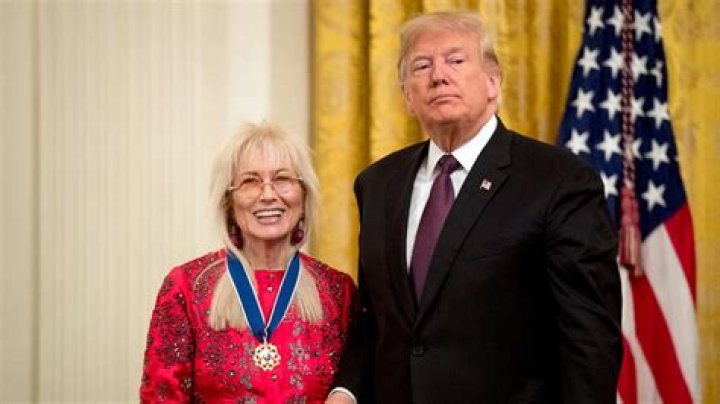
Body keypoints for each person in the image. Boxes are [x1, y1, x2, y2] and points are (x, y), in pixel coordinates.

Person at [328, 11, 622, 404]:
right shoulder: (377, 184)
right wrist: (345, 392)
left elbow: (589, 338)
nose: (438, 75)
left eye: (456, 60)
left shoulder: (558, 179)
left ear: (493, 82)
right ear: (407, 96)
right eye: (421, 66)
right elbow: (376, 319)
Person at [140, 122, 357, 402]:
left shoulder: (339, 291)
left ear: (304, 197)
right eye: (250, 181)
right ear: (229, 202)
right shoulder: (185, 287)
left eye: (282, 179)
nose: (268, 195)